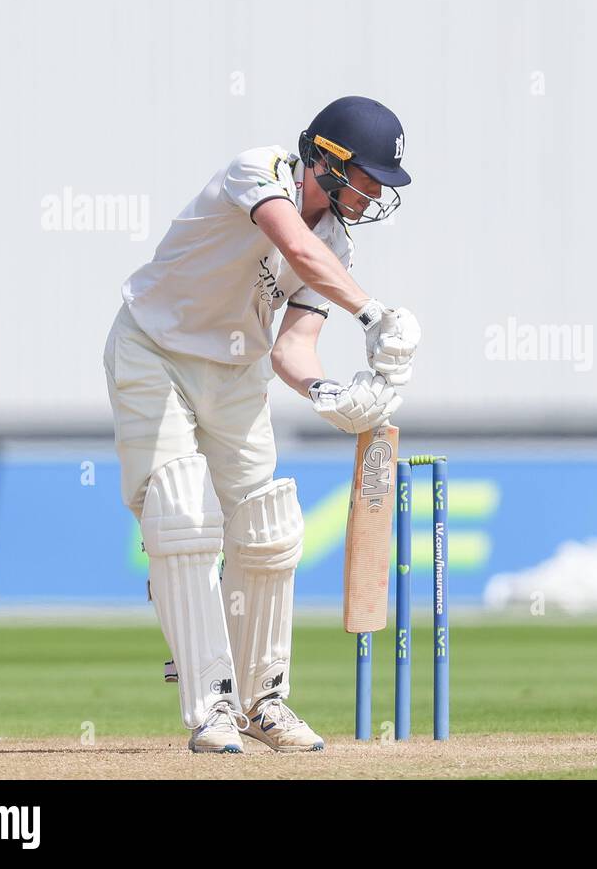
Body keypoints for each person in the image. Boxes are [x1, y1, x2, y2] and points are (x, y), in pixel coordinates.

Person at [102, 96, 420, 753]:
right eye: (366, 178)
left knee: (269, 525)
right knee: (184, 513)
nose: (371, 195)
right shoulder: (261, 171)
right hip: (153, 348)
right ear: (327, 162)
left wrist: (329, 391)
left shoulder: (335, 241)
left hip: (238, 372)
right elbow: (295, 246)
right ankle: (211, 708)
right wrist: (374, 314)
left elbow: (291, 350)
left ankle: (263, 700)